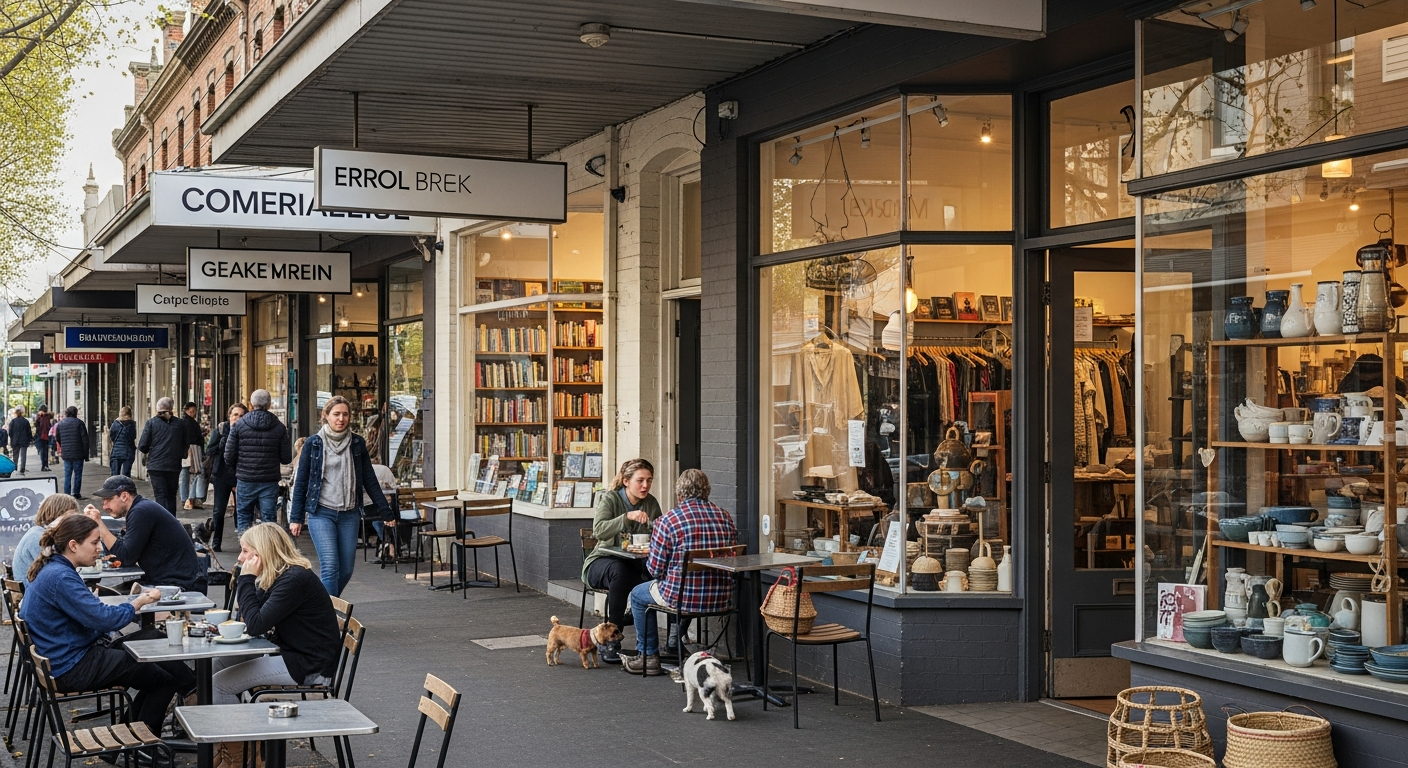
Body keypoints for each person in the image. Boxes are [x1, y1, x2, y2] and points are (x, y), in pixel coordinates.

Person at [20, 515, 181, 735]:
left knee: (151, 638)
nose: (100, 549)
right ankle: (137, 744)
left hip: (65, 657)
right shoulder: (61, 577)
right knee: (163, 681)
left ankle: (132, 738)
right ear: (73, 545)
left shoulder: (55, 569)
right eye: (94, 542)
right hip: (71, 666)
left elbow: (95, 617)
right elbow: (104, 619)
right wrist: (138, 602)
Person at [210, 523, 341, 767]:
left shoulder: (294, 579)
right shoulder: (279, 576)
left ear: (262, 553)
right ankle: (227, 745)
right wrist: (251, 580)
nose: (240, 557)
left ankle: (241, 756)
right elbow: (252, 620)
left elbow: (256, 623)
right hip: (292, 653)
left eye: (245, 551)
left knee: (220, 685)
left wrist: (247, 579)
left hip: (310, 666)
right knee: (216, 664)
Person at [623, 469, 738, 676]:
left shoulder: (668, 521)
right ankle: (675, 642)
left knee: (638, 595)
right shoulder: (725, 517)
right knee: (681, 588)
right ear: (707, 491)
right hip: (722, 598)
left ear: (679, 494)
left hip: (683, 599)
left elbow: (654, 570)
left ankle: (648, 656)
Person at [288, 397, 394, 596]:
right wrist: (296, 518)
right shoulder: (314, 444)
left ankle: (321, 605)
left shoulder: (356, 443)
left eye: (345, 414)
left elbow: (369, 479)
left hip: (349, 513)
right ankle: (330, 619)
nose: (341, 418)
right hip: (321, 513)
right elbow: (301, 482)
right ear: (325, 416)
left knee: (345, 570)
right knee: (330, 566)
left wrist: (385, 511)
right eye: (336, 414)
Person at [582, 458, 662, 664]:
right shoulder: (611, 500)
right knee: (620, 571)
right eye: (640, 480)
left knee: (662, 574)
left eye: (649, 480)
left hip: (635, 562)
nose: (645, 485)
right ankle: (611, 642)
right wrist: (627, 517)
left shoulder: (651, 503)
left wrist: (652, 526)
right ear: (626, 481)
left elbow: (661, 533)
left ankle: (667, 641)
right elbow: (599, 530)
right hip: (601, 561)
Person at [85, 475, 208, 593]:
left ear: (124, 496)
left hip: (175, 583)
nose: (104, 506)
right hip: (164, 578)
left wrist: (100, 525)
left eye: (109, 500)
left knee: (108, 599)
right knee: (104, 594)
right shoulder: (139, 509)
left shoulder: (140, 512)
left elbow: (126, 557)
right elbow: (119, 552)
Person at [225, 389, 291, 534]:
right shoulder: (279, 428)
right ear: (269, 405)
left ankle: (246, 552)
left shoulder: (239, 425)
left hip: (245, 479)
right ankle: (266, 554)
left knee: (244, 518)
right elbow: (286, 458)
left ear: (251, 404)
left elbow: (228, 455)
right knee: (269, 520)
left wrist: (238, 470)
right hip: (269, 480)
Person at [204, 403, 246, 552]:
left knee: (240, 510)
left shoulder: (246, 431)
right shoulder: (221, 430)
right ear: (229, 416)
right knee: (219, 510)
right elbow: (209, 451)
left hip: (240, 474)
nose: (238, 418)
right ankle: (216, 542)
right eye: (235, 415)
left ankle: (243, 542)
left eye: (241, 415)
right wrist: (221, 444)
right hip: (222, 475)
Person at [13, 493, 79, 585]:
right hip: (35, 592)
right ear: (61, 514)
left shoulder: (39, 532)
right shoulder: (38, 536)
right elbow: (56, 571)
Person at [138, 397, 186, 513]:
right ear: (171, 408)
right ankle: (172, 523)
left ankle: (162, 524)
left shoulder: (151, 423)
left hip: (156, 466)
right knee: (171, 495)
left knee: (160, 495)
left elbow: (142, 446)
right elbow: (185, 444)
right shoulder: (180, 424)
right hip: (173, 466)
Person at [55, 406, 89, 498]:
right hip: (78, 453)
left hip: (66, 453)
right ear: (75, 413)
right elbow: (85, 440)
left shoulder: (61, 424)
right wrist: (86, 454)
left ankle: (67, 494)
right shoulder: (80, 423)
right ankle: (76, 493)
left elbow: (57, 437)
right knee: (78, 474)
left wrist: (63, 446)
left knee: (67, 474)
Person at [180, 402, 206, 511]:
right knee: (197, 473)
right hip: (194, 450)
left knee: (184, 474)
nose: (193, 414)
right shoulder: (192, 423)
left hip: (184, 450)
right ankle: (192, 498)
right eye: (191, 411)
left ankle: (184, 498)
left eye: (194, 411)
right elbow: (198, 438)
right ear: (187, 411)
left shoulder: (181, 423)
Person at [108, 406, 137, 477]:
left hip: (116, 452)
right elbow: (133, 437)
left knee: (115, 475)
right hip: (128, 451)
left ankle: (115, 487)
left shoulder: (115, 423)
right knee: (126, 475)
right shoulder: (132, 424)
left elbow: (112, 436)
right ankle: (126, 487)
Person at [8, 407, 32, 475]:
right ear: (22, 413)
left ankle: (15, 468)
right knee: (23, 455)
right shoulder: (25, 421)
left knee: (15, 456)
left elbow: (10, 432)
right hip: (24, 441)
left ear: (15, 414)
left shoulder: (13, 422)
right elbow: (29, 432)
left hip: (15, 441)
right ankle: (22, 469)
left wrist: (12, 438)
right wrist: (29, 439)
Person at [33, 406, 51, 472]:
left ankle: (45, 466)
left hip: (42, 436)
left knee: (44, 452)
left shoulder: (44, 417)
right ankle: (44, 466)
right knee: (44, 452)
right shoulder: (41, 417)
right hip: (43, 436)